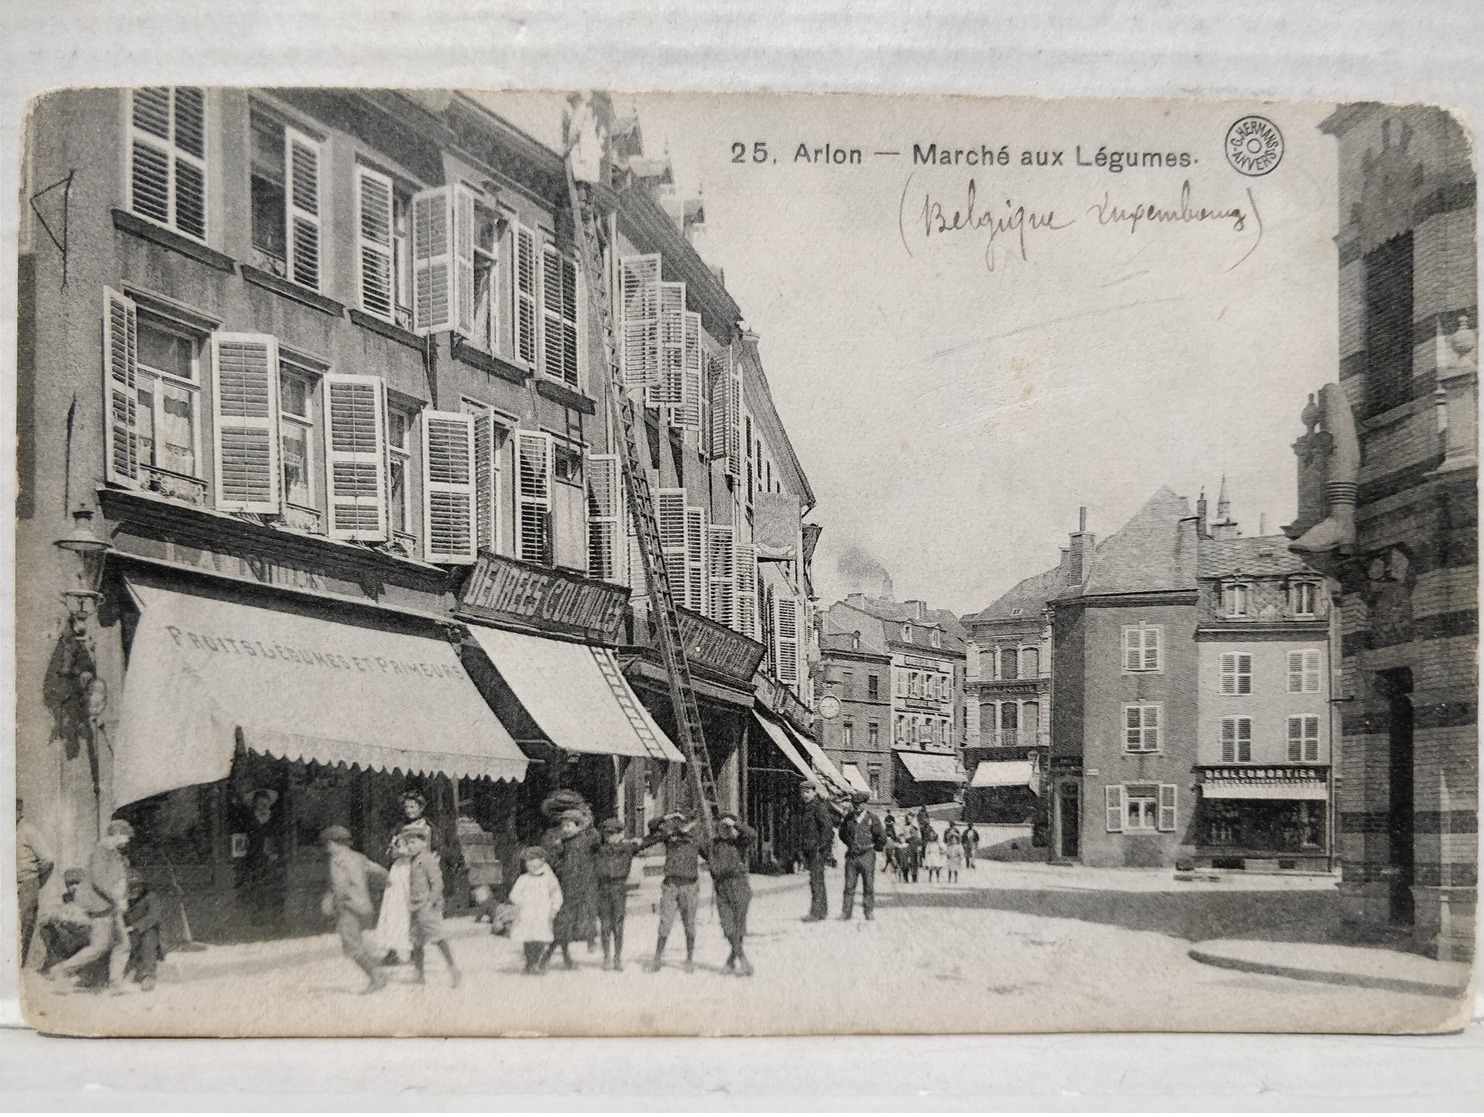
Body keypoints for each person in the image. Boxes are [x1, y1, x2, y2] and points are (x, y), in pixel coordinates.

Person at [58, 819, 133, 990]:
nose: (127, 840)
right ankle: (63, 970)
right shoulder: (101, 851)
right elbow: (99, 881)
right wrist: (117, 898)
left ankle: (115, 982)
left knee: (123, 944)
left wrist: (122, 897)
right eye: (126, 836)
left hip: (111, 907)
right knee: (98, 947)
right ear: (116, 834)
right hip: (102, 907)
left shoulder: (113, 852)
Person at [320, 825, 388, 994]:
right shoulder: (358, 856)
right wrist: (386, 884)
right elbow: (380, 871)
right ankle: (377, 972)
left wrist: (330, 901)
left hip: (348, 908)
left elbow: (340, 886)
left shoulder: (337, 861)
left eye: (328, 845)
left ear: (333, 844)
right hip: (363, 906)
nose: (327, 849)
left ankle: (376, 977)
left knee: (352, 946)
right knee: (357, 943)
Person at [641, 811, 703, 972]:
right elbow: (652, 825)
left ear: (694, 824)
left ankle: (689, 959)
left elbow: (711, 855)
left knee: (689, 925)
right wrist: (668, 816)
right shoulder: (669, 836)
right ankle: (657, 959)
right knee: (665, 923)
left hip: (689, 886)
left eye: (689, 822)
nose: (685, 826)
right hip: (670, 886)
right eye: (682, 822)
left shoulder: (696, 840)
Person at [375, 789, 432, 964]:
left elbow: (419, 850)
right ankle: (392, 950)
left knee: (411, 909)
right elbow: (391, 851)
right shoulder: (400, 827)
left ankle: (414, 950)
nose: (409, 810)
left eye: (413, 807)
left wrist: (400, 850)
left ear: (421, 808)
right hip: (398, 871)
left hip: (413, 871)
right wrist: (396, 851)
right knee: (392, 908)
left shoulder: (425, 827)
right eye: (407, 807)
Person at [542, 806, 600, 971]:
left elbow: (596, 841)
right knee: (564, 922)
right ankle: (558, 955)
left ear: (578, 826)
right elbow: (552, 860)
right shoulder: (562, 844)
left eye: (568, 825)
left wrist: (586, 822)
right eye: (563, 825)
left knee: (588, 915)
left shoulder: (588, 839)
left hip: (587, 886)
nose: (564, 829)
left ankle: (590, 942)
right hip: (568, 888)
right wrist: (561, 868)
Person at [403, 827, 460, 988]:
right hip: (415, 906)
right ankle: (419, 974)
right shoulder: (413, 861)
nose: (410, 846)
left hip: (426, 906)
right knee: (416, 942)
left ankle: (454, 969)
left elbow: (437, 883)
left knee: (437, 937)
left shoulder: (427, 859)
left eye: (413, 842)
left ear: (423, 843)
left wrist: (430, 902)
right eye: (407, 843)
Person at [704, 812, 756, 977]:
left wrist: (735, 823)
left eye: (725, 826)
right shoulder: (712, 844)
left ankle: (732, 960)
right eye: (719, 826)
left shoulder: (739, 843)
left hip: (739, 886)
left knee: (739, 929)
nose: (722, 829)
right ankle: (742, 959)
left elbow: (752, 834)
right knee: (727, 927)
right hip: (721, 888)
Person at [594, 818, 642, 971]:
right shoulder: (598, 849)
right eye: (607, 834)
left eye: (613, 833)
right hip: (602, 889)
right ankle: (607, 957)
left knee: (618, 925)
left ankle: (617, 958)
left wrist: (636, 840)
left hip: (619, 888)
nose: (610, 837)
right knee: (605, 925)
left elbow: (651, 838)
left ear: (620, 833)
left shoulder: (628, 848)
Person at [237, 788, 285, 936]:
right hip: (253, 857)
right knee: (255, 887)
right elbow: (242, 837)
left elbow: (278, 836)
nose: (263, 803)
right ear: (255, 802)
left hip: (271, 858)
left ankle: (275, 919)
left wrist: (275, 852)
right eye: (260, 800)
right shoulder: (248, 818)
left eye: (266, 800)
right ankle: (256, 920)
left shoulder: (274, 818)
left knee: (273, 886)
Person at [508, 846, 564, 974]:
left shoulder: (549, 878)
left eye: (532, 859)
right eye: (527, 860)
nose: (529, 863)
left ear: (542, 860)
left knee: (540, 938)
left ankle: (536, 961)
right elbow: (514, 894)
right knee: (528, 939)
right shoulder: (524, 879)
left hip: (542, 914)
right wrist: (521, 902)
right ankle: (530, 961)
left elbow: (556, 895)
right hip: (527, 914)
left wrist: (554, 909)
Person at [16, 798, 54, 971]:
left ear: (19, 812)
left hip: (27, 883)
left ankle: (19, 967)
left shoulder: (29, 831)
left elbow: (48, 859)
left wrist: (36, 881)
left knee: (24, 924)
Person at [838, 790, 886, 921]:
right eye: (854, 804)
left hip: (867, 856)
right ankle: (846, 913)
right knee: (849, 886)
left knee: (868, 885)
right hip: (852, 857)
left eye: (859, 804)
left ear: (865, 804)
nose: (857, 807)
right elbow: (841, 834)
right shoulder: (848, 818)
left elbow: (881, 837)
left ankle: (868, 911)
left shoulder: (872, 818)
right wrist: (850, 844)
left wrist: (874, 847)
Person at [38, 869, 92, 978]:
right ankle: (54, 961)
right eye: (70, 884)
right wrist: (56, 917)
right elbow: (49, 915)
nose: (74, 887)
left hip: (85, 936)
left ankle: (80, 970)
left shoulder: (90, 899)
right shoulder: (64, 898)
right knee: (46, 929)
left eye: (77, 883)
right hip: (68, 935)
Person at [798, 781, 834, 922]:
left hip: (817, 851)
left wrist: (821, 847)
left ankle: (816, 913)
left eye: (807, 792)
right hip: (810, 850)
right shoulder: (807, 807)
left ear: (814, 792)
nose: (804, 795)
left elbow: (828, 827)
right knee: (816, 881)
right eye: (802, 792)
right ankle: (821, 912)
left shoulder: (818, 807)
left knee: (816, 882)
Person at [123, 871, 165, 991]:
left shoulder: (150, 897)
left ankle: (148, 976)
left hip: (147, 934)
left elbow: (153, 917)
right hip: (129, 935)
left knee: (149, 936)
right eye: (131, 886)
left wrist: (135, 927)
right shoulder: (124, 901)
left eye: (138, 886)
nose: (135, 889)